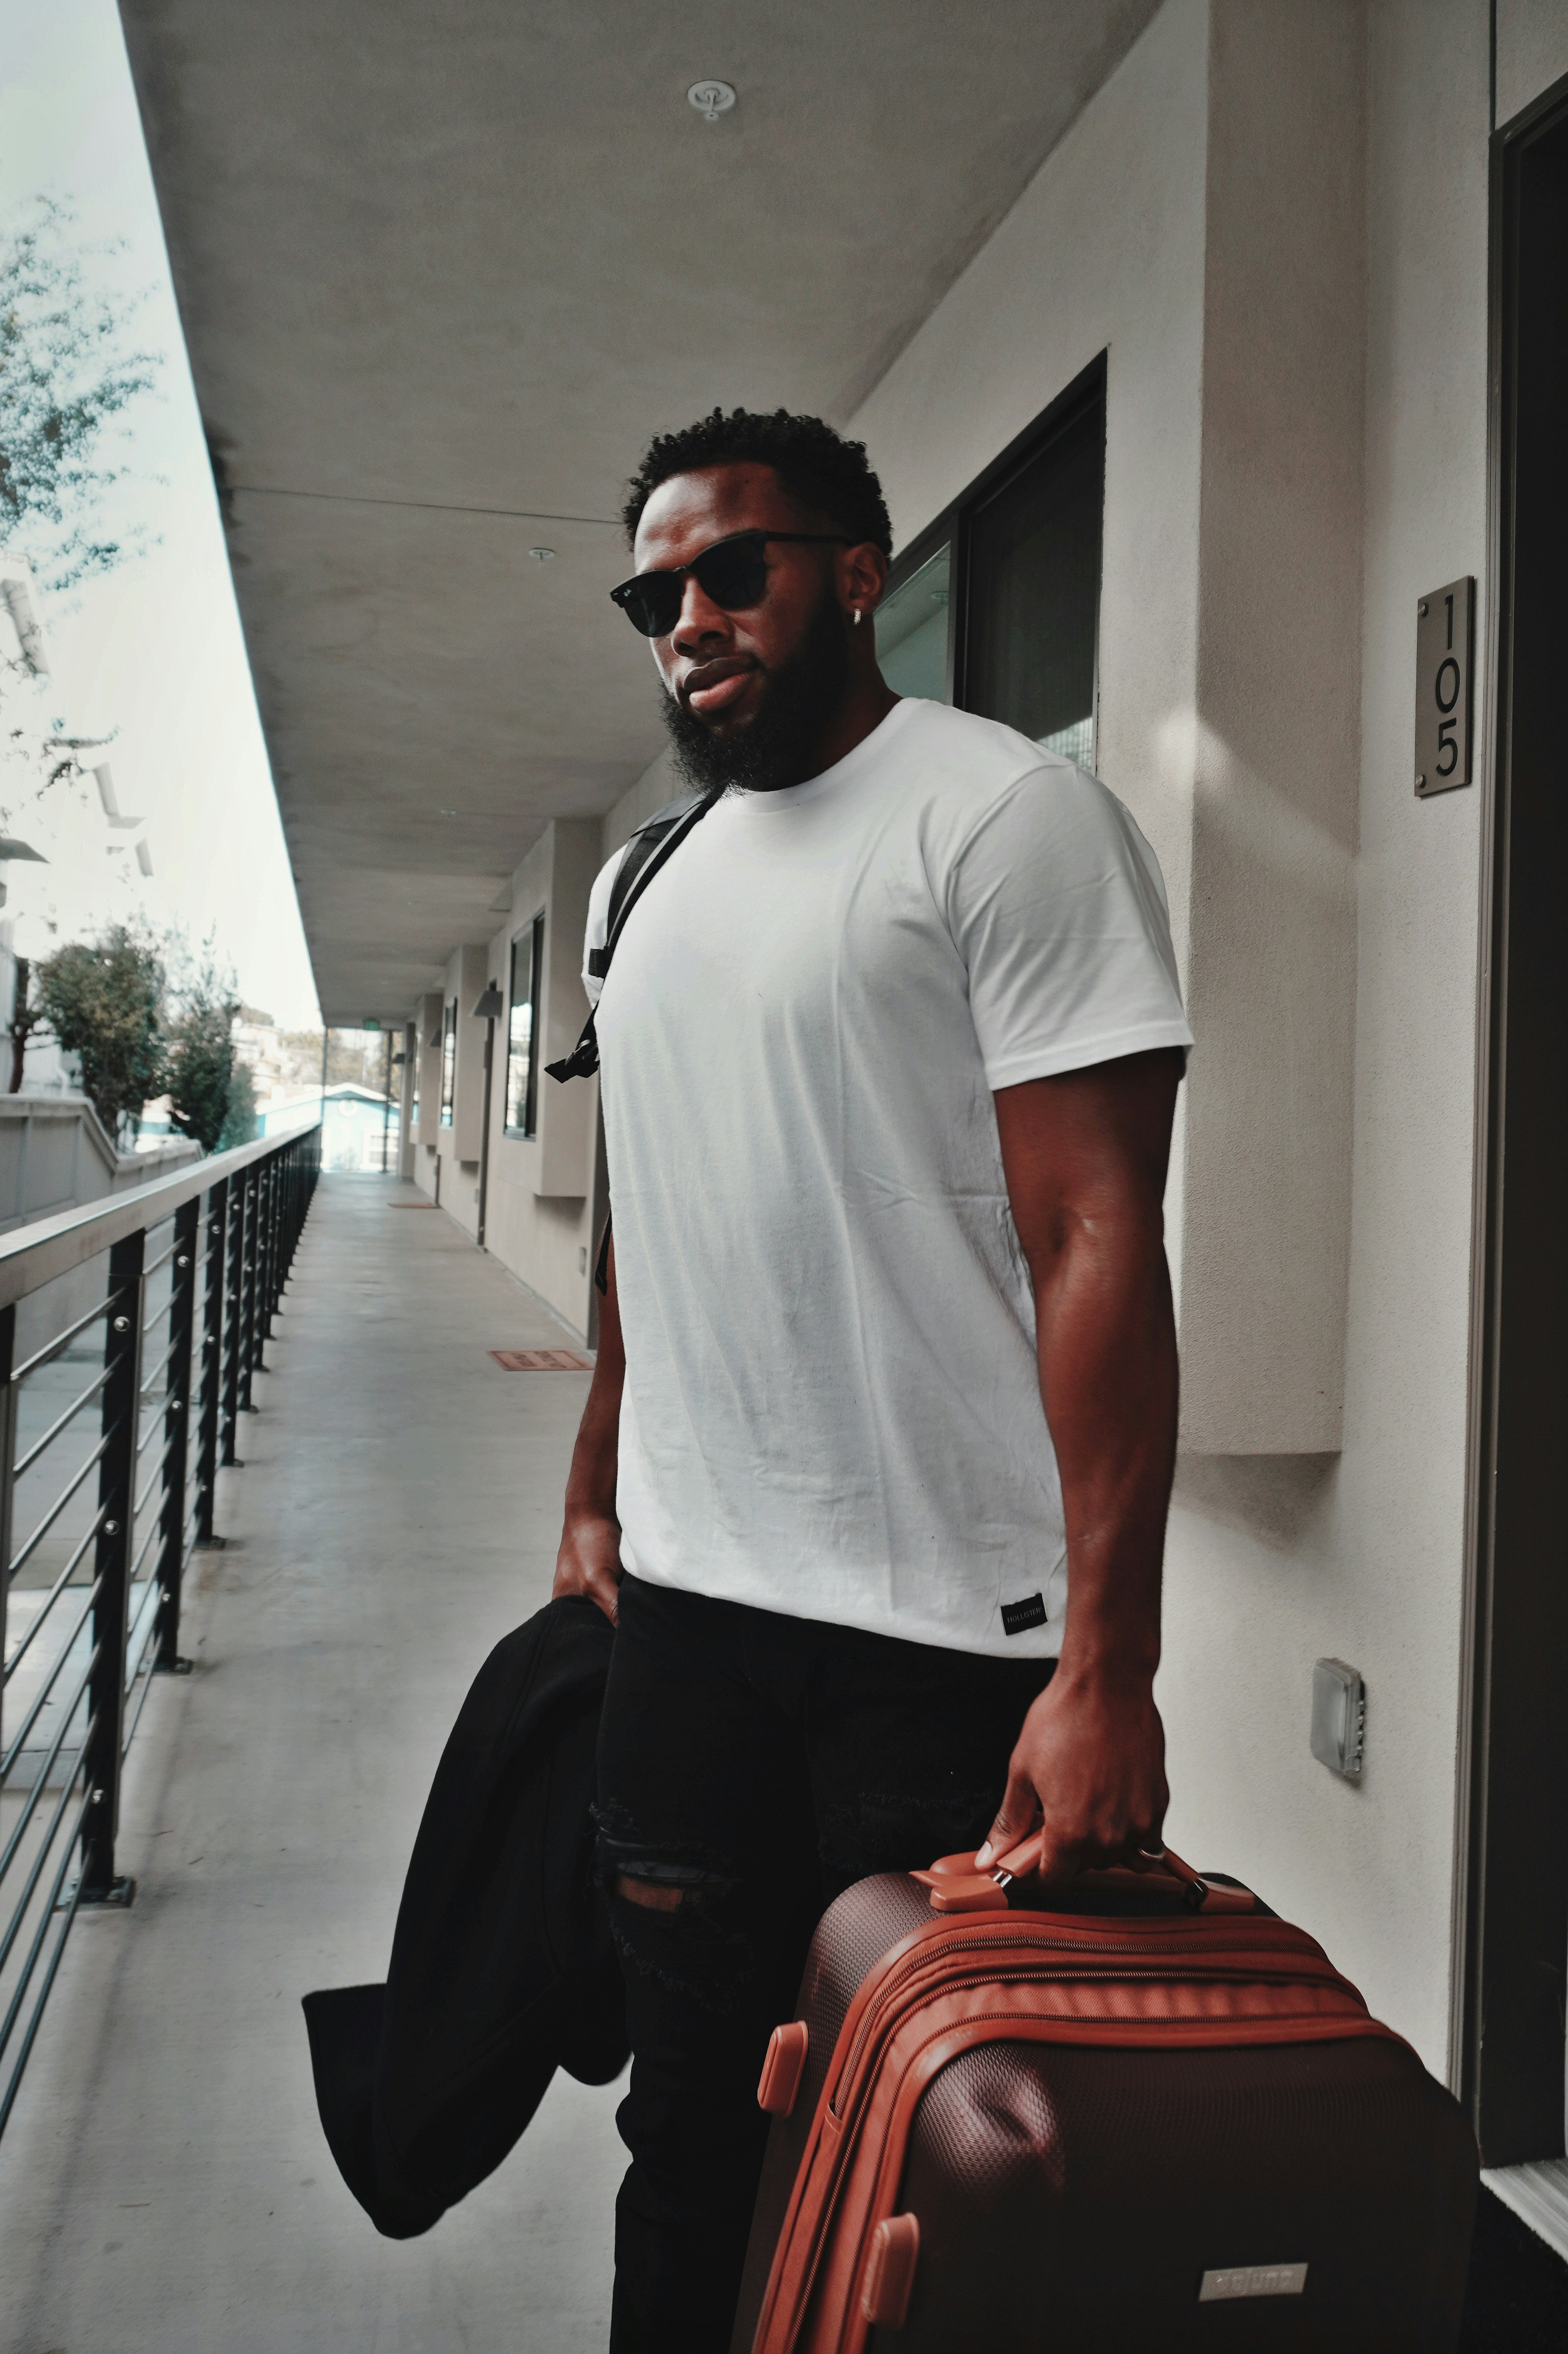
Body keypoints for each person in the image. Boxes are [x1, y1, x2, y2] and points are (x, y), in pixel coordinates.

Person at [552, 406, 1193, 2352]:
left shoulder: (1001, 818)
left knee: (921, 2168)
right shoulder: (638, 887)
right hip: (682, 1622)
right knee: (682, 2139)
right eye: (651, 592)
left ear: (854, 575)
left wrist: (1106, 1669)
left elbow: (1096, 1237)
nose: (687, 618)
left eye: (729, 568)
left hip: (940, 1651)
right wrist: (592, 1478)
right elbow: (634, 1216)